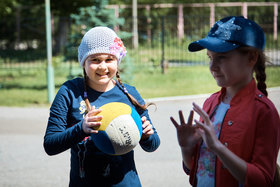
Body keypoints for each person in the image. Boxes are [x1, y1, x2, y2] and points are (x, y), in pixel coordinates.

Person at [170, 16, 280, 187]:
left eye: (222, 57)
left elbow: (263, 180)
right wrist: (187, 149)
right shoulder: (210, 103)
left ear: (251, 57)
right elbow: (199, 169)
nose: (212, 67)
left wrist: (218, 147)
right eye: (210, 57)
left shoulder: (264, 111)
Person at [43, 26, 160, 187]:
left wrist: (147, 136)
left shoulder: (129, 94)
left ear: (117, 61)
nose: (103, 67)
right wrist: (82, 128)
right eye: (95, 60)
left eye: (109, 59)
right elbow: (50, 145)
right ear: (84, 62)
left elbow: (153, 144)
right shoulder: (70, 92)